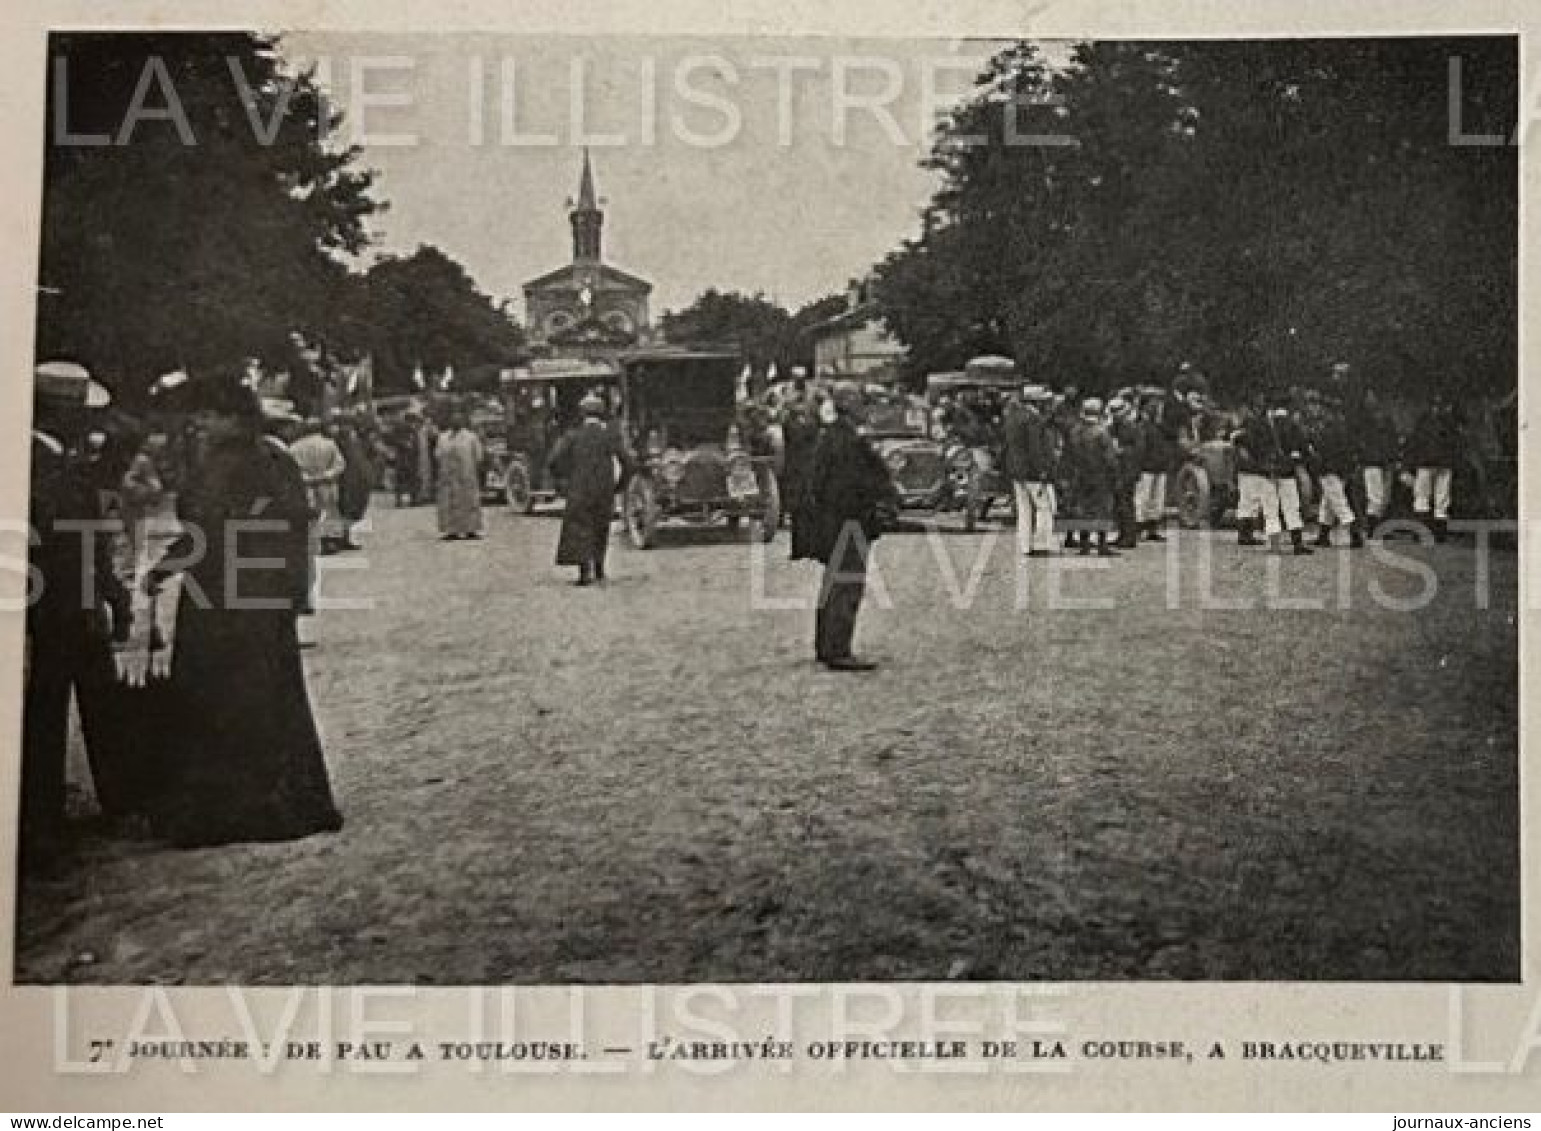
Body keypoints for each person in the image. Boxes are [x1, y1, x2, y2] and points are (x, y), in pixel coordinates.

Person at [143, 371, 342, 849]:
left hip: (220, 604)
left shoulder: (218, 467)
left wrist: (162, 569)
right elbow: (298, 531)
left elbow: (203, 536)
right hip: (264, 601)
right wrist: (294, 593)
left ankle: (227, 811)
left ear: (231, 417)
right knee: (273, 702)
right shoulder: (275, 458)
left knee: (219, 705)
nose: (201, 425)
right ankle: (288, 801)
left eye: (208, 416)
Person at [21, 373, 132, 867]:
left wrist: (109, 592)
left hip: (66, 602)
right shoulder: (39, 466)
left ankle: (104, 801)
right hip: (57, 606)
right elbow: (63, 547)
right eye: (81, 412)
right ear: (56, 411)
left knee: (88, 701)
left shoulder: (57, 463)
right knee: (50, 710)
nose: (90, 421)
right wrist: (93, 599)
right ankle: (44, 822)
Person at [806, 382, 898, 671]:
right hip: (851, 520)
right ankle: (839, 649)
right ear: (848, 404)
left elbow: (818, 484)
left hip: (833, 521)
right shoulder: (849, 441)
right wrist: (875, 504)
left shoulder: (830, 437)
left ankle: (825, 645)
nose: (864, 407)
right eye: (860, 401)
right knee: (847, 585)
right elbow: (855, 484)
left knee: (832, 584)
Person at [547, 393, 631, 585]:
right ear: (601, 414)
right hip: (604, 489)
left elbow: (553, 460)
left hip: (579, 488)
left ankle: (584, 573)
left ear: (582, 414)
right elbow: (627, 462)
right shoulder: (609, 436)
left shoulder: (572, 436)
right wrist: (620, 485)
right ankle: (600, 568)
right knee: (601, 526)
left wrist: (564, 479)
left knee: (580, 527)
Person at [1237, 397, 1313, 555]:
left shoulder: (1257, 424)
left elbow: (1244, 442)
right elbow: (1304, 447)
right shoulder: (1293, 425)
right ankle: (1297, 544)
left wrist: (1260, 464)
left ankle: (1275, 545)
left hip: (1266, 472)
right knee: (1292, 507)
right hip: (1287, 470)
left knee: (1270, 509)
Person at [1001, 385, 1060, 557]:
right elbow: (1035, 448)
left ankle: (1025, 545)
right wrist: (1042, 469)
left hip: (1016, 469)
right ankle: (1043, 543)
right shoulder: (1033, 419)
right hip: (1031, 471)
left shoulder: (1012, 417)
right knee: (1044, 507)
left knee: (1024, 508)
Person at [1062, 397, 1121, 557]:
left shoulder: (1074, 431)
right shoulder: (1102, 432)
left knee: (1082, 509)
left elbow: (1067, 455)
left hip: (1079, 475)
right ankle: (1102, 545)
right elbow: (1110, 458)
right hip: (1100, 475)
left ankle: (1084, 544)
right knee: (1103, 509)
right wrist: (1115, 475)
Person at [289, 419, 348, 554]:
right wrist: (327, 474)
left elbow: (291, 468)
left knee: (310, 510)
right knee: (329, 510)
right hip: (326, 483)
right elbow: (340, 464)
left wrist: (305, 477)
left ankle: (312, 541)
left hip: (306, 484)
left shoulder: (295, 447)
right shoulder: (329, 444)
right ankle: (329, 541)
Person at [1407, 393, 1461, 541]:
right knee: (1441, 498)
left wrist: (1410, 464)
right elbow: (1455, 445)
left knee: (1423, 496)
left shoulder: (1423, 422)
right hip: (1443, 463)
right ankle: (1439, 532)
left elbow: (1415, 443)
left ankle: (1421, 531)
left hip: (1426, 463)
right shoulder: (1449, 423)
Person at [1312, 396, 1364, 548]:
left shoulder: (1328, 429)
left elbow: (1323, 450)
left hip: (1330, 469)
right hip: (1340, 469)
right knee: (1327, 504)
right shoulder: (1343, 428)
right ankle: (1323, 536)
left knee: (1338, 503)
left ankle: (1355, 536)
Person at [435, 409, 486, 540]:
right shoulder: (443, 437)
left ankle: (471, 530)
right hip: (448, 476)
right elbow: (438, 455)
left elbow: (478, 456)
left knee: (469, 502)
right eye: (453, 420)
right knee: (449, 503)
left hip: (466, 475)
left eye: (458, 420)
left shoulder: (471, 437)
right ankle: (451, 531)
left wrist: (471, 469)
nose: (455, 422)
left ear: (463, 422)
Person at [333, 417, 376, 550]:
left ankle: (346, 536)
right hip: (346, 480)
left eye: (348, 425)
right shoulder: (338, 442)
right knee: (344, 509)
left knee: (356, 509)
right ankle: (340, 538)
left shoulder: (359, 441)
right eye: (343, 425)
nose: (346, 428)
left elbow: (370, 455)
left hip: (360, 480)